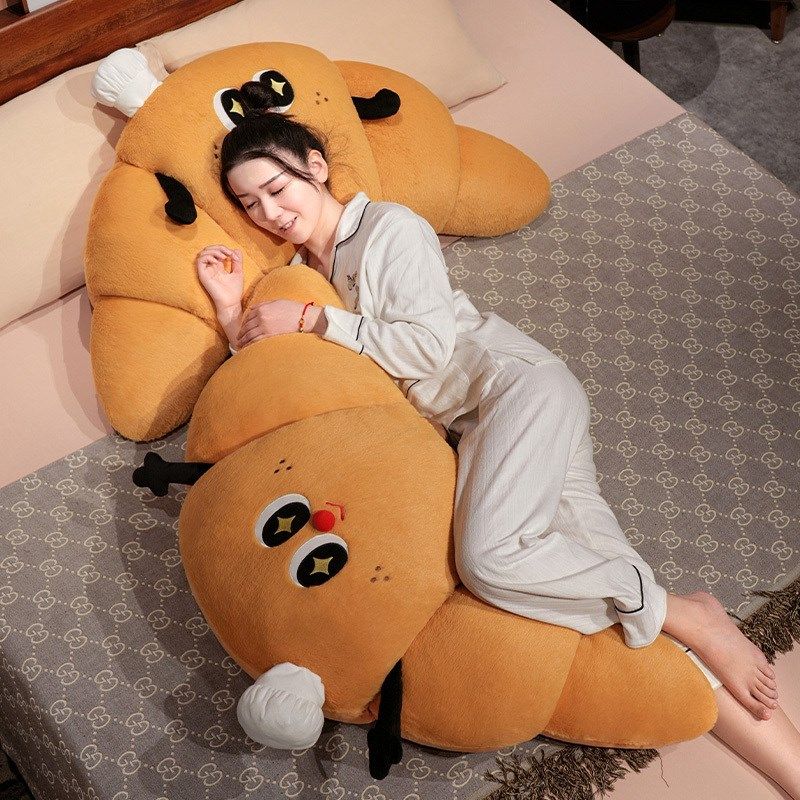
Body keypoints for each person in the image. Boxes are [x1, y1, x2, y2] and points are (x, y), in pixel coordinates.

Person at [196, 80, 800, 796]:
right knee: (626, 611)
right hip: (479, 433)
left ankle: (689, 612)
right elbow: (288, 381)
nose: (269, 213)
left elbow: (425, 350)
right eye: (250, 204)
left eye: (276, 188)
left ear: (316, 167)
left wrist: (315, 321)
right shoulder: (305, 276)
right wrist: (233, 313)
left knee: (490, 561)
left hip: (515, 392)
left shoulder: (389, 230)